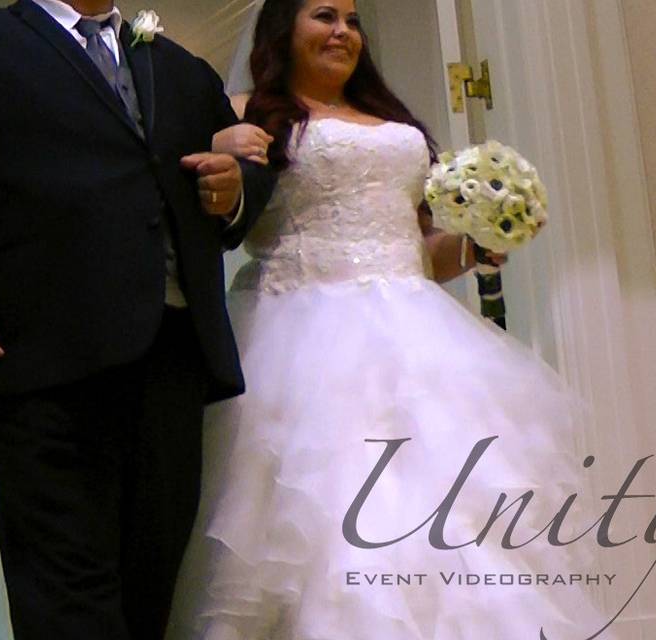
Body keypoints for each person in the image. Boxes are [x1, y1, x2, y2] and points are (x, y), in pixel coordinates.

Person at [166, 1, 617, 638]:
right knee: (321, 521)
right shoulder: (245, 114)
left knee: (455, 524)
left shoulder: (393, 121)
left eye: (352, 20)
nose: (343, 31)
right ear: (284, 30)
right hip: (300, 340)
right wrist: (220, 146)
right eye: (324, 15)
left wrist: (478, 242)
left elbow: (416, 251)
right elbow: (204, 196)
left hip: (419, 334)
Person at [0, 0, 276, 638]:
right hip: (39, 359)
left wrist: (237, 190)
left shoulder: (181, 68)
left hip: (172, 353)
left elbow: (237, 185)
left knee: (151, 580)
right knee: (65, 585)